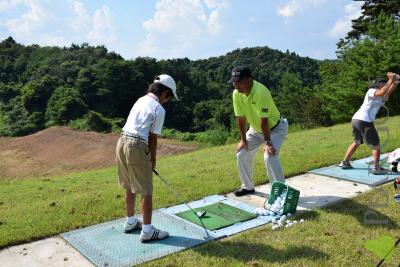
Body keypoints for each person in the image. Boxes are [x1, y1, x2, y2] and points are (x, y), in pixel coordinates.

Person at [116, 74, 178, 242]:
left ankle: (130, 222)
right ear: (164, 92)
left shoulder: (141, 100)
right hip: (136, 145)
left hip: (121, 142)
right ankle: (147, 231)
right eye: (169, 96)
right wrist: (152, 161)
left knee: (129, 185)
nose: (168, 100)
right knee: (146, 190)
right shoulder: (158, 109)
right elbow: (153, 138)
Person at [229, 66, 289, 196]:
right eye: (234, 82)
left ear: (249, 79)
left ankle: (280, 192)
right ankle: (248, 187)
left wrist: (267, 142)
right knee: (242, 154)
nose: (236, 85)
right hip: (256, 130)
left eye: (239, 81)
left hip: (276, 128)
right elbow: (241, 118)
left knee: (269, 155)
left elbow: (264, 120)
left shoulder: (261, 91)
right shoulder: (236, 94)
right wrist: (243, 140)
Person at [339, 72, 399, 174]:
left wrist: (396, 80)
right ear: (378, 85)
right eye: (383, 84)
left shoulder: (382, 96)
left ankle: (345, 162)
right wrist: (390, 79)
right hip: (364, 120)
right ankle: (376, 168)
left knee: (357, 142)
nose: (384, 85)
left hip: (356, 119)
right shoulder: (371, 91)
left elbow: (388, 91)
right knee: (376, 145)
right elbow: (383, 91)